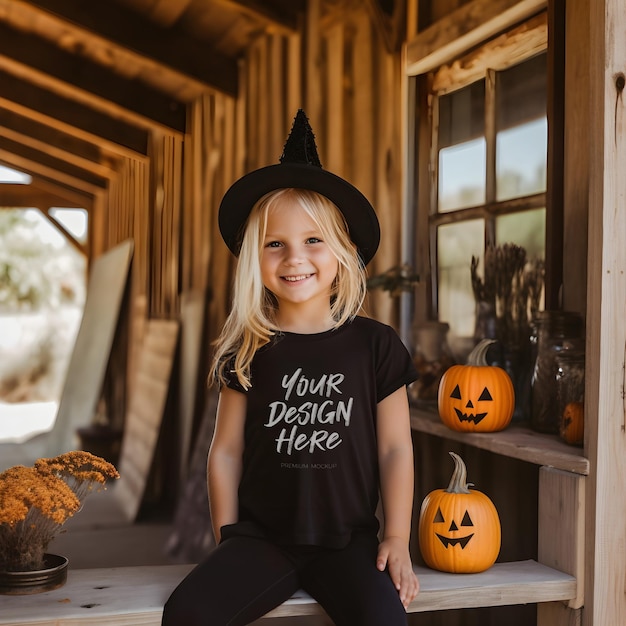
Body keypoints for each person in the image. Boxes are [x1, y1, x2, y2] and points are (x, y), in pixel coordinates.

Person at [162, 110, 420, 626]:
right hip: (262, 540)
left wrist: (395, 536)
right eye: (274, 243)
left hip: (349, 543)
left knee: (384, 620)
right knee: (186, 614)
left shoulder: (376, 346)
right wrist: (225, 538)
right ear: (254, 259)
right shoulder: (248, 348)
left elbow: (394, 449)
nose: (294, 258)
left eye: (313, 241)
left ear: (343, 252)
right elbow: (227, 451)